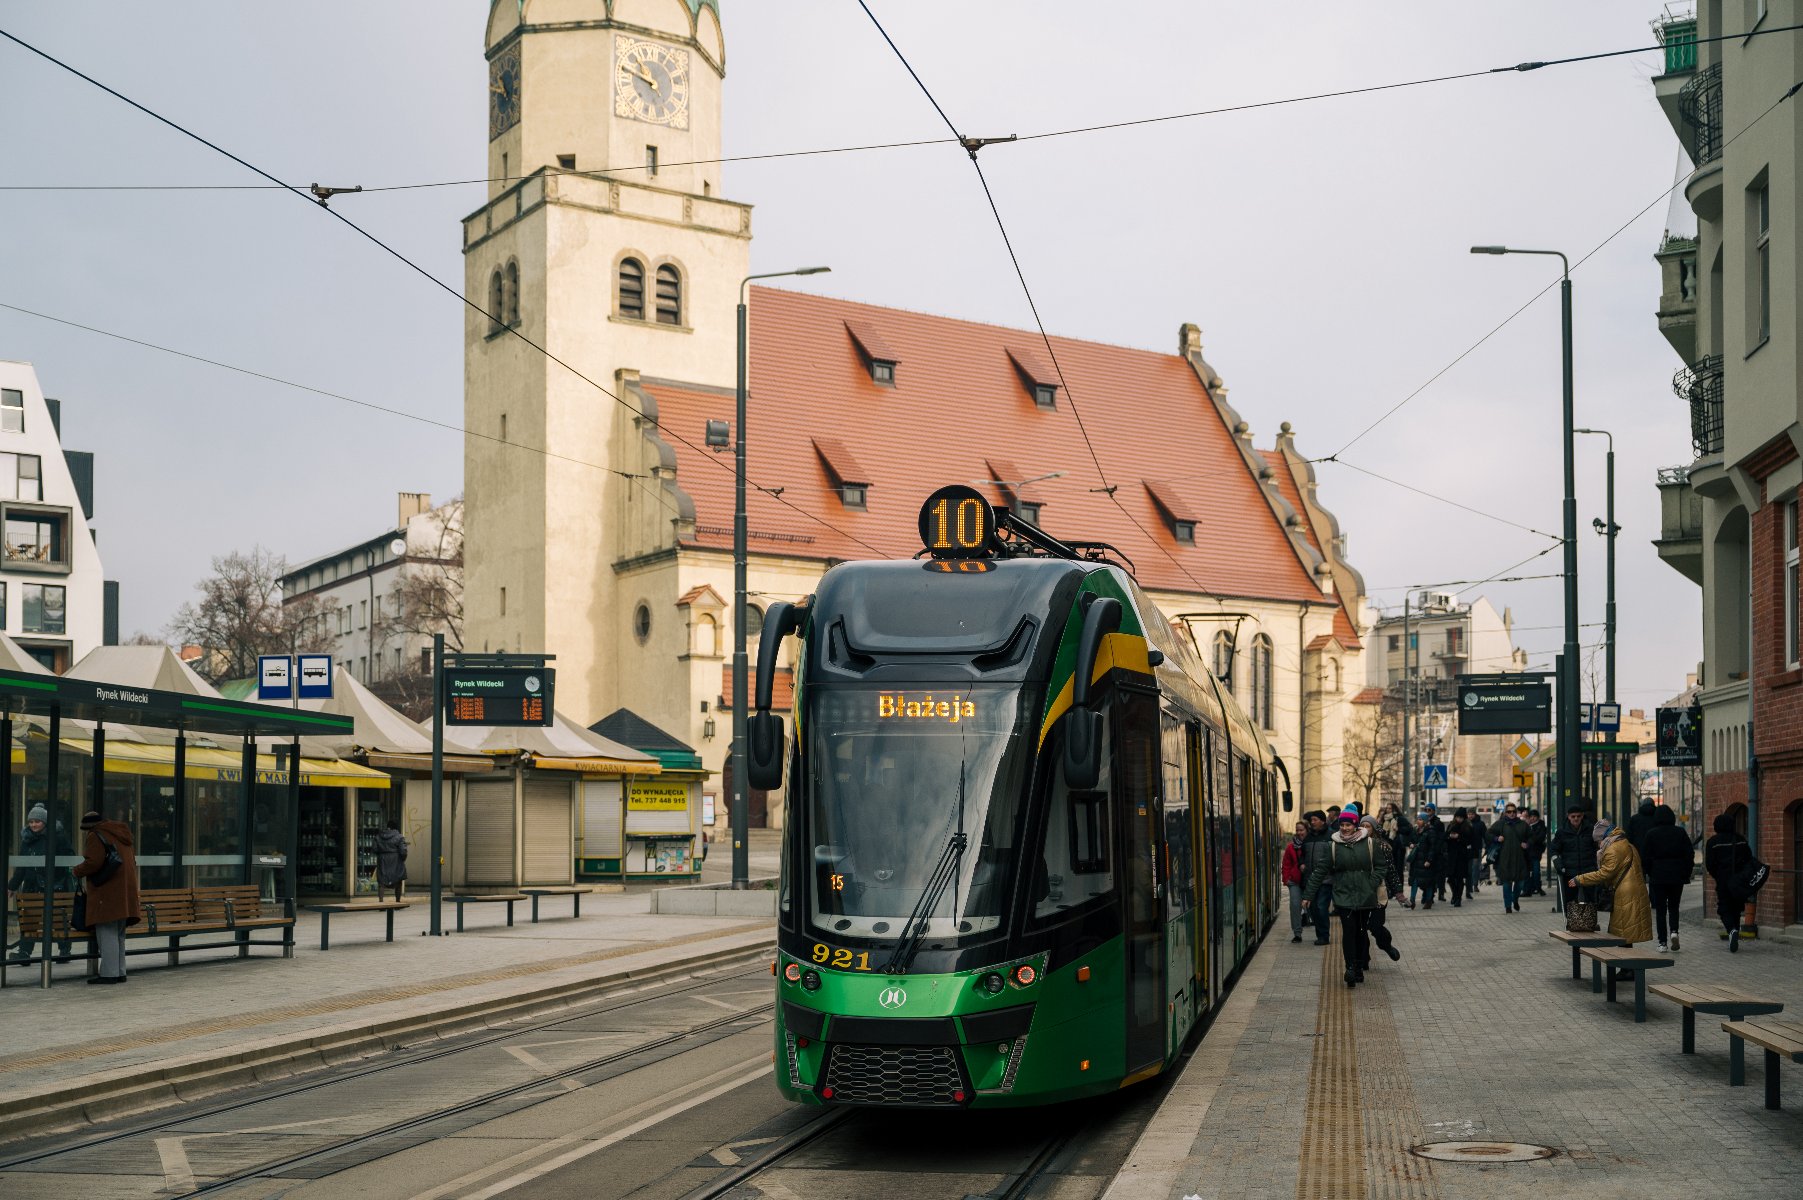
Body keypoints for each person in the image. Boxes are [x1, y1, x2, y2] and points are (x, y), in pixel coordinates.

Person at [1301, 806, 1396, 988]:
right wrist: (1308, 894)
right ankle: (1350, 968)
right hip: (1343, 896)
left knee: (1361, 932)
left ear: (1355, 825)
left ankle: (1359, 966)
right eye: (1342, 825)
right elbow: (1321, 870)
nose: (1345, 828)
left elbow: (1381, 866)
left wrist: (1371, 883)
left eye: (1348, 825)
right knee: (1349, 931)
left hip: (1365, 895)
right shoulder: (1333, 845)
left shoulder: (1370, 844)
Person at [1572, 819, 1653, 969]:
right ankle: (1627, 968)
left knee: (1623, 933)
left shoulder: (1614, 849)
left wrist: (1580, 879)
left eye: (1598, 841)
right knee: (1625, 933)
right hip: (1631, 891)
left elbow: (1605, 874)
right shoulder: (1626, 843)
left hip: (1626, 894)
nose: (1598, 845)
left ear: (1603, 837)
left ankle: (1628, 969)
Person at [72, 809, 140, 984]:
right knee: (118, 932)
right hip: (124, 890)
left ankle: (109, 974)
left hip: (107, 891)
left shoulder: (96, 835)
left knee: (106, 932)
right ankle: (119, 971)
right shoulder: (121, 834)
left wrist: (77, 871)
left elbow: (94, 862)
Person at [6, 804, 75, 965]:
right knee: (29, 918)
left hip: (54, 885)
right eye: (31, 822)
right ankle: (24, 952)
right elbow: (22, 867)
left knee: (58, 918)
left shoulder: (57, 837)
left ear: (44, 822)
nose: (33, 825)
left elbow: (68, 858)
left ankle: (64, 950)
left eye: (37, 821)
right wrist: (12, 886)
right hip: (32, 886)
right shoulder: (27, 840)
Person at [1641, 806, 1693, 952]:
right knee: (1674, 906)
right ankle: (1674, 932)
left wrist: (1650, 872)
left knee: (1660, 910)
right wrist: (1685, 872)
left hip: (1658, 876)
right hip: (1677, 876)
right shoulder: (1680, 832)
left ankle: (1662, 943)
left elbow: (1645, 857)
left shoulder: (1651, 834)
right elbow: (1689, 854)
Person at [1359, 815, 1405, 966]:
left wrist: (1398, 892)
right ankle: (1363, 958)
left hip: (1379, 892)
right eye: (1362, 826)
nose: (1365, 829)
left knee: (1375, 925)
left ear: (1373, 829)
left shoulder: (1382, 846)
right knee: (1360, 927)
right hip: (1360, 892)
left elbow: (1391, 871)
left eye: (1368, 826)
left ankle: (1386, 946)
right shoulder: (1355, 844)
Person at [1704, 813, 1753, 952]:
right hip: (1739, 880)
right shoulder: (1740, 840)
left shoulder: (1713, 842)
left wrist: (1718, 875)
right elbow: (1749, 859)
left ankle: (1731, 931)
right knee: (1736, 908)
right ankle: (1735, 931)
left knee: (1724, 908)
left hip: (1723, 880)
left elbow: (1710, 864)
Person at [1551, 806, 1597, 906]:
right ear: (1568, 817)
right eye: (1573, 816)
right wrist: (1558, 863)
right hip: (1570, 872)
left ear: (1582, 816)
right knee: (1570, 901)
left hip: (1588, 871)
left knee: (1591, 901)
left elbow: (1596, 848)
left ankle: (1590, 921)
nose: (1576, 818)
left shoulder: (1591, 830)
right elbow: (1554, 850)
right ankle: (1571, 921)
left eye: (1578, 816)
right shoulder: (1562, 832)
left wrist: (1596, 865)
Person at [1489, 802, 1529, 913]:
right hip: (1504, 859)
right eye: (1509, 811)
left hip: (1519, 859)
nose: (1511, 813)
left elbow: (1531, 837)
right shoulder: (1500, 824)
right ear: (1505, 813)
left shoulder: (1523, 825)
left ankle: (1515, 899)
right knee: (1506, 883)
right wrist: (1497, 838)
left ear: (1516, 813)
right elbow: (1488, 834)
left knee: (1520, 882)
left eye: (1513, 811)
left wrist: (1527, 844)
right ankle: (1508, 906)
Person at [1301, 810, 1333, 946]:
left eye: (1315, 820)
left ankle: (1324, 936)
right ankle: (1319, 934)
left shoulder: (1331, 836)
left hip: (1326, 880)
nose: (1312, 823)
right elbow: (1302, 854)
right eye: (1311, 820)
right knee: (1313, 908)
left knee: (1321, 907)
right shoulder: (1308, 837)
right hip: (1310, 880)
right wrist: (1301, 863)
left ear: (1322, 821)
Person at [1408, 807, 1444, 909]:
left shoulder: (1431, 831)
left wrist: (1429, 860)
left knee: (1428, 882)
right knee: (1414, 881)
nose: (1418, 821)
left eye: (1420, 819)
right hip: (1416, 861)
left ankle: (1428, 901)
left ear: (1425, 821)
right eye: (1418, 819)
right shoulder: (1415, 830)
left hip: (1425, 861)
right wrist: (1411, 844)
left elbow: (1433, 847)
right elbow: (1411, 840)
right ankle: (1412, 901)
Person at [1282, 821, 1309, 943]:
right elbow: (1286, 864)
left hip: (1310, 881)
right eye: (1297, 830)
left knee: (1316, 906)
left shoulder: (1311, 844)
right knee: (1294, 905)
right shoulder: (1290, 847)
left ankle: (1321, 932)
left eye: (1301, 830)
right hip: (1294, 881)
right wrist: (1286, 879)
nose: (1299, 832)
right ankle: (1297, 933)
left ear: (1307, 830)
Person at [1441, 809, 1475, 906]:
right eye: (1457, 817)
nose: (1459, 819)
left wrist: (1459, 837)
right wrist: (1449, 837)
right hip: (1451, 856)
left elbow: (1469, 840)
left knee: (1459, 878)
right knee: (1450, 878)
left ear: (1464, 818)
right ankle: (1455, 895)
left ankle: (1458, 899)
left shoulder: (1467, 827)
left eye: (1461, 817)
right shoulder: (1451, 825)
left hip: (1462, 856)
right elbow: (1445, 837)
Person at [375, 820, 409, 903]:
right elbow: (403, 851)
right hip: (396, 860)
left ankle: (381, 901)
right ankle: (398, 901)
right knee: (398, 880)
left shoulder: (379, 836)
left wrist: (381, 855)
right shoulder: (400, 837)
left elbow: (374, 849)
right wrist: (402, 859)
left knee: (381, 882)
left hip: (382, 860)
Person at [1521, 810, 1549, 897]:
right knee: (1526, 873)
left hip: (1536, 853)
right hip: (1526, 853)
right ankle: (1527, 890)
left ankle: (1538, 888)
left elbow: (1538, 838)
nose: (1532, 818)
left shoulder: (1541, 826)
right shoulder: (1526, 826)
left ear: (1537, 817)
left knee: (1536, 872)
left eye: (1534, 816)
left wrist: (1528, 842)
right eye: (1531, 816)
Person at [1469, 811, 1490, 892]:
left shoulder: (1480, 824)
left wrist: (1487, 846)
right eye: (1469, 814)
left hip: (1477, 848)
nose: (1470, 816)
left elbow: (1485, 835)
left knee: (1475, 867)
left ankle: (1474, 885)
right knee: (1469, 868)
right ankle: (1469, 885)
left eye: (1471, 814)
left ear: (1475, 814)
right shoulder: (1466, 823)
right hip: (1467, 849)